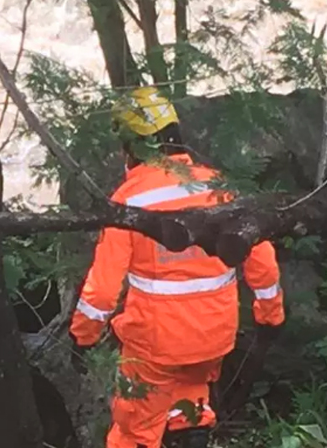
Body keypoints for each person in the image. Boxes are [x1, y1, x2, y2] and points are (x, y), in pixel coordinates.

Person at [68, 86, 285, 448]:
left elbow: (103, 290)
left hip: (154, 345)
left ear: (131, 146)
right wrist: (270, 316)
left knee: (134, 431)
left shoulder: (129, 201)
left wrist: (84, 336)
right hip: (215, 335)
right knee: (190, 411)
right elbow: (262, 264)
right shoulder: (221, 188)